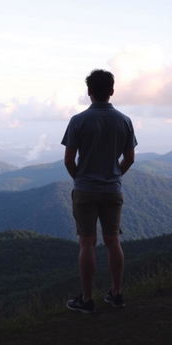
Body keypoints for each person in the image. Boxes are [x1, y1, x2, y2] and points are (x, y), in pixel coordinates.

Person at [61, 69, 137, 313]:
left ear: (89, 92)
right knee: (113, 241)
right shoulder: (124, 121)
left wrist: (80, 178)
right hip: (112, 189)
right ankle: (117, 293)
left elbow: (69, 160)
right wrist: (114, 175)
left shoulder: (78, 121)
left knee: (87, 242)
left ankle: (86, 298)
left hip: (85, 189)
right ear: (112, 91)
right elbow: (130, 158)